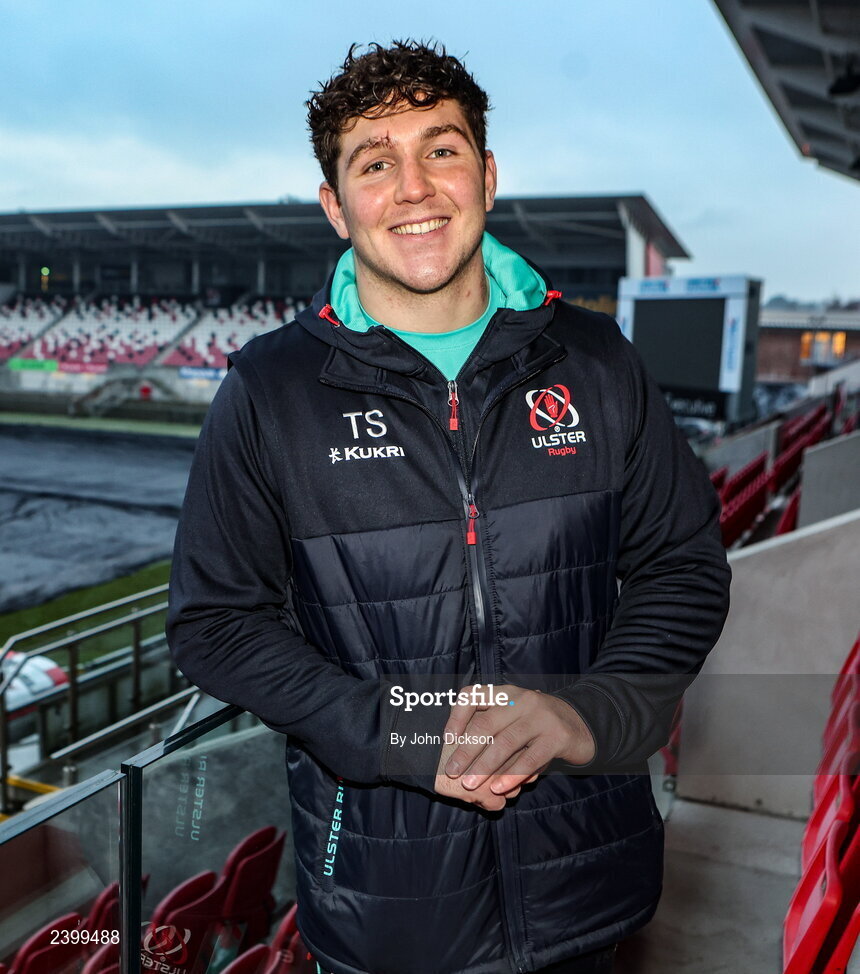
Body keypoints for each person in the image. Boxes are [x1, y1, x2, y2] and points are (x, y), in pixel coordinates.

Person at [166, 40, 731, 974]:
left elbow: (683, 567)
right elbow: (215, 623)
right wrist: (400, 733)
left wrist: (583, 713)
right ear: (335, 206)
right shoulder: (269, 389)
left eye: (442, 149)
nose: (415, 186)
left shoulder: (598, 359)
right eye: (375, 162)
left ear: (488, 174)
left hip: (592, 885)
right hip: (388, 916)